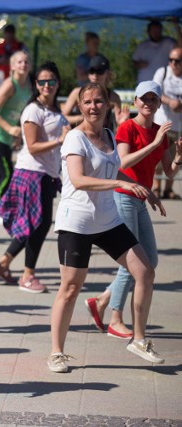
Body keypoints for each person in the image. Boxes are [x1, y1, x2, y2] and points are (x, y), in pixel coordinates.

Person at [48, 82, 166, 373]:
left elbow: (115, 167)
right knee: (71, 288)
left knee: (145, 272)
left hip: (108, 220)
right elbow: (78, 179)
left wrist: (142, 188)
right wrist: (119, 184)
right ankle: (56, 353)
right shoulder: (75, 139)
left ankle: (138, 339)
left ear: (107, 104)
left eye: (98, 101)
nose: (93, 107)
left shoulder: (110, 135)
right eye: (87, 102)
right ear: (79, 106)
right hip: (76, 222)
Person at [85, 81, 182, 340]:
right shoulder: (128, 126)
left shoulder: (160, 133)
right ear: (135, 102)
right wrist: (155, 143)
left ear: (159, 103)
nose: (148, 103)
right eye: (144, 99)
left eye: (153, 99)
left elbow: (169, 173)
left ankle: (103, 300)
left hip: (140, 199)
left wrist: (178, 156)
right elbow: (123, 161)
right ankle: (115, 318)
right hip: (123, 196)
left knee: (150, 261)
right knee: (133, 263)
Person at [0, 62, 70, 292]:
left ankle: (4, 263)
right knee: (38, 224)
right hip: (32, 174)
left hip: (46, 175)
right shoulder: (33, 110)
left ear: (58, 82)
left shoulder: (55, 110)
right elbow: (33, 146)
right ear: (36, 85)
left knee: (35, 224)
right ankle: (27, 276)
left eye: (51, 80)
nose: (47, 85)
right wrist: (59, 141)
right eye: (42, 81)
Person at [0, 51, 32, 204]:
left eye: (26, 61)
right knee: (7, 174)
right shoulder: (9, 85)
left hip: (8, 136)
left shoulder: (28, 85)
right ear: (12, 66)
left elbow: (22, 111)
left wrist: (18, 133)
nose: (23, 65)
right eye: (19, 62)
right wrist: (9, 129)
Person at [62, 54, 130, 131]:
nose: (95, 75)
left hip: (103, 138)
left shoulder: (114, 98)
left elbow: (119, 126)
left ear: (107, 73)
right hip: (82, 135)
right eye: (91, 71)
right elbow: (62, 118)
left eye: (99, 71)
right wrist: (83, 118)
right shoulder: (77, 92)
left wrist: (121, 124)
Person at [153, 46, 182, 199]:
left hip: (178, 125)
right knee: (157, 157)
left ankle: (168, 189)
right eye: (170, 60)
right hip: (161, 122)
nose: (173, 63)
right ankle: (156, 187)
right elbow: (156, 92)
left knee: (175, 156)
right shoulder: (162, 72)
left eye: (177, 61)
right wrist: (170, 101)